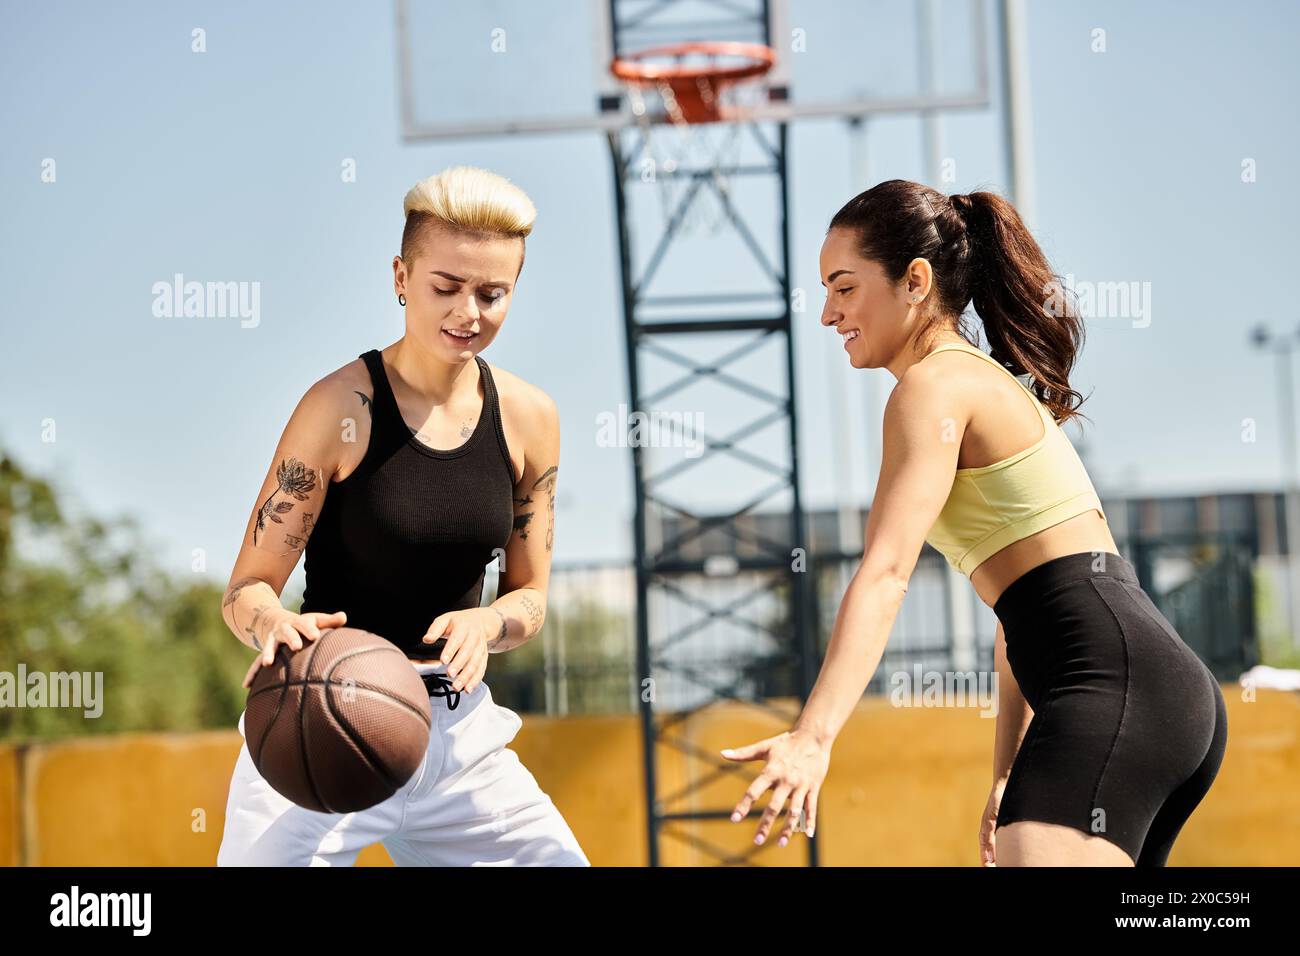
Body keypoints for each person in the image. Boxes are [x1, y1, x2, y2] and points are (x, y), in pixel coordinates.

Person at [720, 180, 1227, 867]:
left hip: (1115, 689)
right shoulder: (979, 384)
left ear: (915, 281)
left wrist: (813, 735)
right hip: (1153, 691)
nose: (827, 313)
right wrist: (1006, 769)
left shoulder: (931, 389)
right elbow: (1023, 615)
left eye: (843, 287)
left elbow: (886, 575)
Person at [216, 166, 589, 866]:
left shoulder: (530, 418)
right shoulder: (338, 408)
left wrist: (490, 622)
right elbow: (244, 591)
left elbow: (530, 596)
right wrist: (273, 623)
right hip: (320, 721)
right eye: (445, 287)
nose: (468, 312)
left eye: (492, 293)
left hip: (456, 734)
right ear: (400, 277)